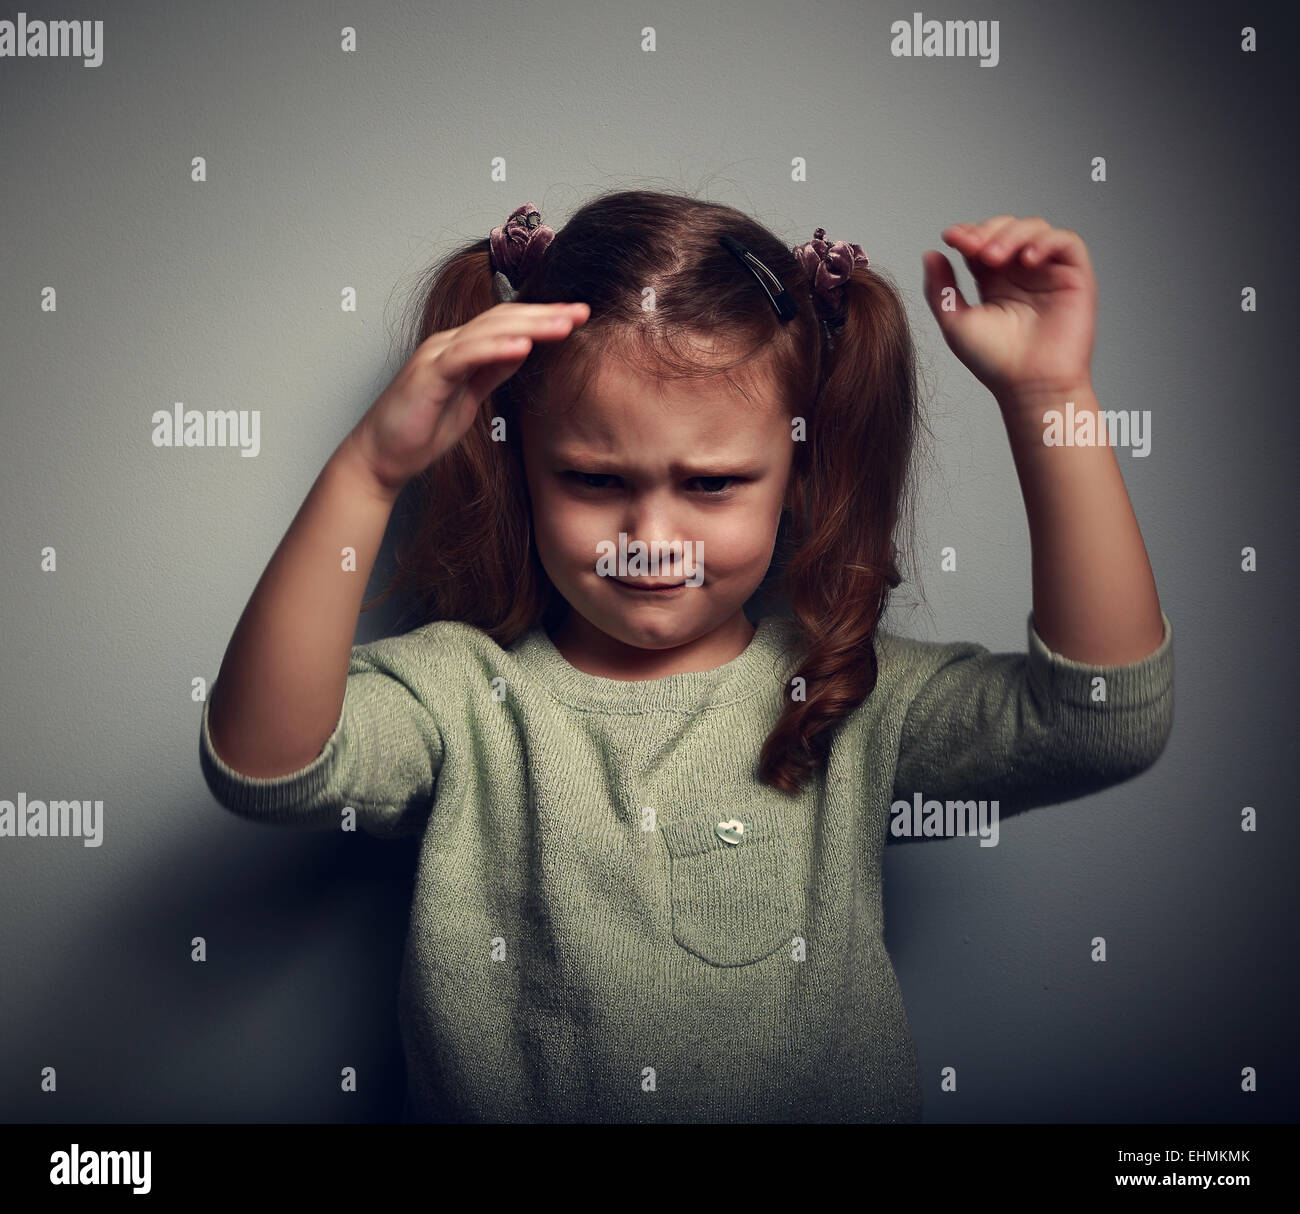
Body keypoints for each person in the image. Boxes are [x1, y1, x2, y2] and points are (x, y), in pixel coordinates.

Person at [199, 189, 1174, 1123]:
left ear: (798, 474)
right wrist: (370, 472)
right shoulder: (463, 697)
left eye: (711, 483)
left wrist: (1052, 396)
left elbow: (1100, 722)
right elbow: (268, 768)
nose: (650, 536)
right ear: (519, 464)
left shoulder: (847, 698)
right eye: (592, 477)